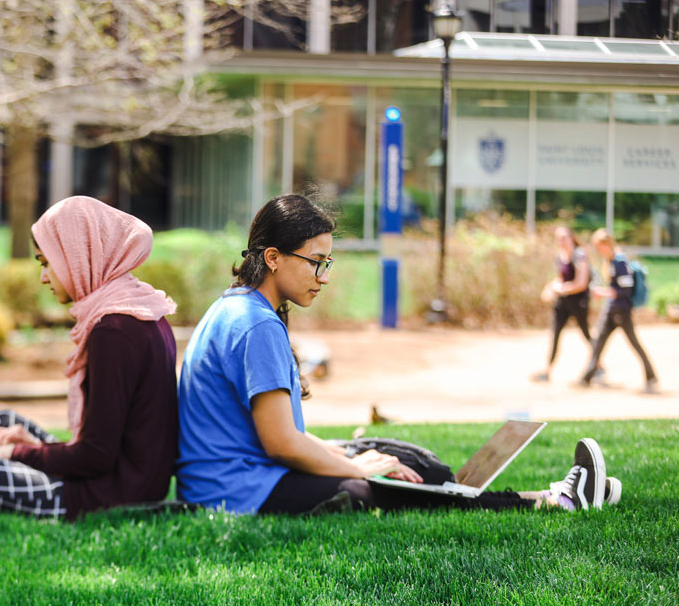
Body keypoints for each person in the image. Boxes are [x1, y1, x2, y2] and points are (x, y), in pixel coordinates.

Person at [176, 194, 619, 516]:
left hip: (231, 483)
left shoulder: (237, 309)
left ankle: (556, 496)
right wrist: (352, 464)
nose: (323, 277)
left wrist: (349, 452)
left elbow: (278, 435)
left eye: (327, 263)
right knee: (378, 487)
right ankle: (556, 500)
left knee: (391, 461)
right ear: (273, 258)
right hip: (233, 495)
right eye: (316, 261)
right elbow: (281, 443)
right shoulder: (255, 324)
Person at [0, 196, 179, 520]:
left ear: (79, 255)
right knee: (0, 424)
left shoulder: (114, 330)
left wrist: (15, 452)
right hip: (126, 482)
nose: (44, 277)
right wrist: (31, 445)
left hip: (107, 496)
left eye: (47, 262)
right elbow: (105, 442)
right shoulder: (141, 310)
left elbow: (96, 456)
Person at [579, 229, 658, 394]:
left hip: (621, 310)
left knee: (634, 343)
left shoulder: (619, 262)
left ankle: (651, 377)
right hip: (611, 308)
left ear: (607, 245)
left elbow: (625, 289)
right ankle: (587, 376)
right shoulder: (610, 261)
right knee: (598, 342)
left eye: (600, 247)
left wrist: (604, 292)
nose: (599, 251)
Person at [531, 226, 601, 383]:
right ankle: (547, 371)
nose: (560, 241)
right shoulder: (560, 256)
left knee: (586, 334)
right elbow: (561, 279)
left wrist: (562, 289)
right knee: (555, 334)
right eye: (558, 238)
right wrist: (551, 287)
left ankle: (599, 366)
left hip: (579, 302)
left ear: (571, 238)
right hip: (563, 302)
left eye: (563, 238)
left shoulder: (580, 255)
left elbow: (581, 283)